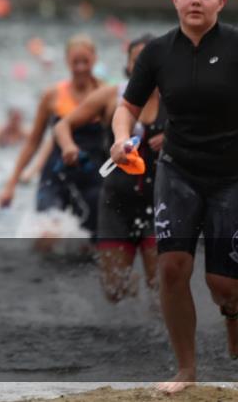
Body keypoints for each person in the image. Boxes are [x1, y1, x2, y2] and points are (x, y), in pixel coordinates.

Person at [109, 0, 238, 394]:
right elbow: (127, 107)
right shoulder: (158, 52)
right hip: (179, 170)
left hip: (236, 174)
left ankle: (232, 314)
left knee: (223, 283)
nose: (196, 0)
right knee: (172, 267)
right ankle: (186, 370)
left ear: (221, 2)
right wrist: (122, 139)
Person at [53, 35, 163, 302]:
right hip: (117, 201)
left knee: (160, 288)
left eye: (150, 62)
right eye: (138, 62)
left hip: (160, 201)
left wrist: (175, 140)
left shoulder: (177, 97)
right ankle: (131, 284)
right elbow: (62, 125)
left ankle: (163, 336)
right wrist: (69, 147)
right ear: (128, 67)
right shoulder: (112, 95)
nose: (143, 68)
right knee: (113, 292)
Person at [0, 35, 106, 240]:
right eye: (76, 62)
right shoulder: (53, 95)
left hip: (93, 178)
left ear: (94, 59)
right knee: (47, 237)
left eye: (86, 61)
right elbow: (33, 141)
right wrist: (11, 184)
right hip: (56, 175)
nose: (81, 67)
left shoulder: (106, 94)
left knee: (92, 245)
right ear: (67, 61)